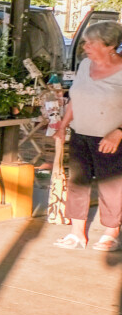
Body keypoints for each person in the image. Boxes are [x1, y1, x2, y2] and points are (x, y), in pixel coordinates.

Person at [54, 21, 122, 251]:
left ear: (110, 46)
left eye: (91, 43)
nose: (85, 47)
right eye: (85, 42)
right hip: (80, 134)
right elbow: (76, 98)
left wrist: (118, 132)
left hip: (110, 139)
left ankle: (111, 232)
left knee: (111, 187)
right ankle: (77, 233)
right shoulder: (85, 66)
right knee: (78, 183)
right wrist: (63, 125)